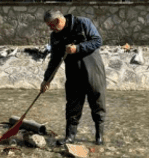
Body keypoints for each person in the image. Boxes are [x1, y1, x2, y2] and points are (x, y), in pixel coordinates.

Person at [41, 10, 107, 145]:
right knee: (72, 105)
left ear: (58, 21)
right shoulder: (55, 37)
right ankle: (70, 137)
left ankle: (99, 137)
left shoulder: (83, 23)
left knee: (97, 103)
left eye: (51, 26)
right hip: (73, 73)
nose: (50, 29)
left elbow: (97, 41)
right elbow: (54, 60)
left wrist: (78, 48)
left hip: (93, 71)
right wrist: (47, 80)